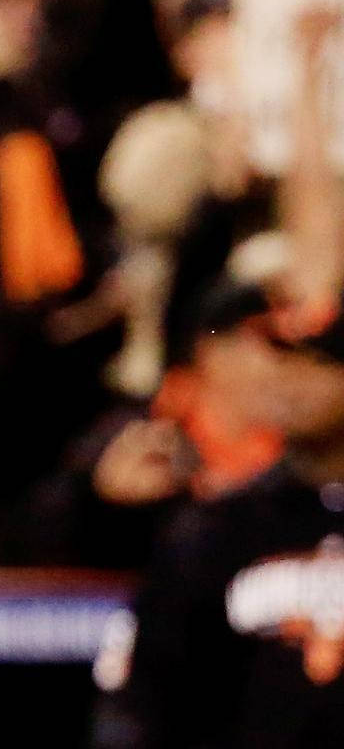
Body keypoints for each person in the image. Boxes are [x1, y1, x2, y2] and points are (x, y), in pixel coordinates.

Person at [95, 286, 344, 749]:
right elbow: (154, 693)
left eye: (320, 361)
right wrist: (110, 512)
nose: (292, 378)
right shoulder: (224, 525)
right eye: (284, 358)